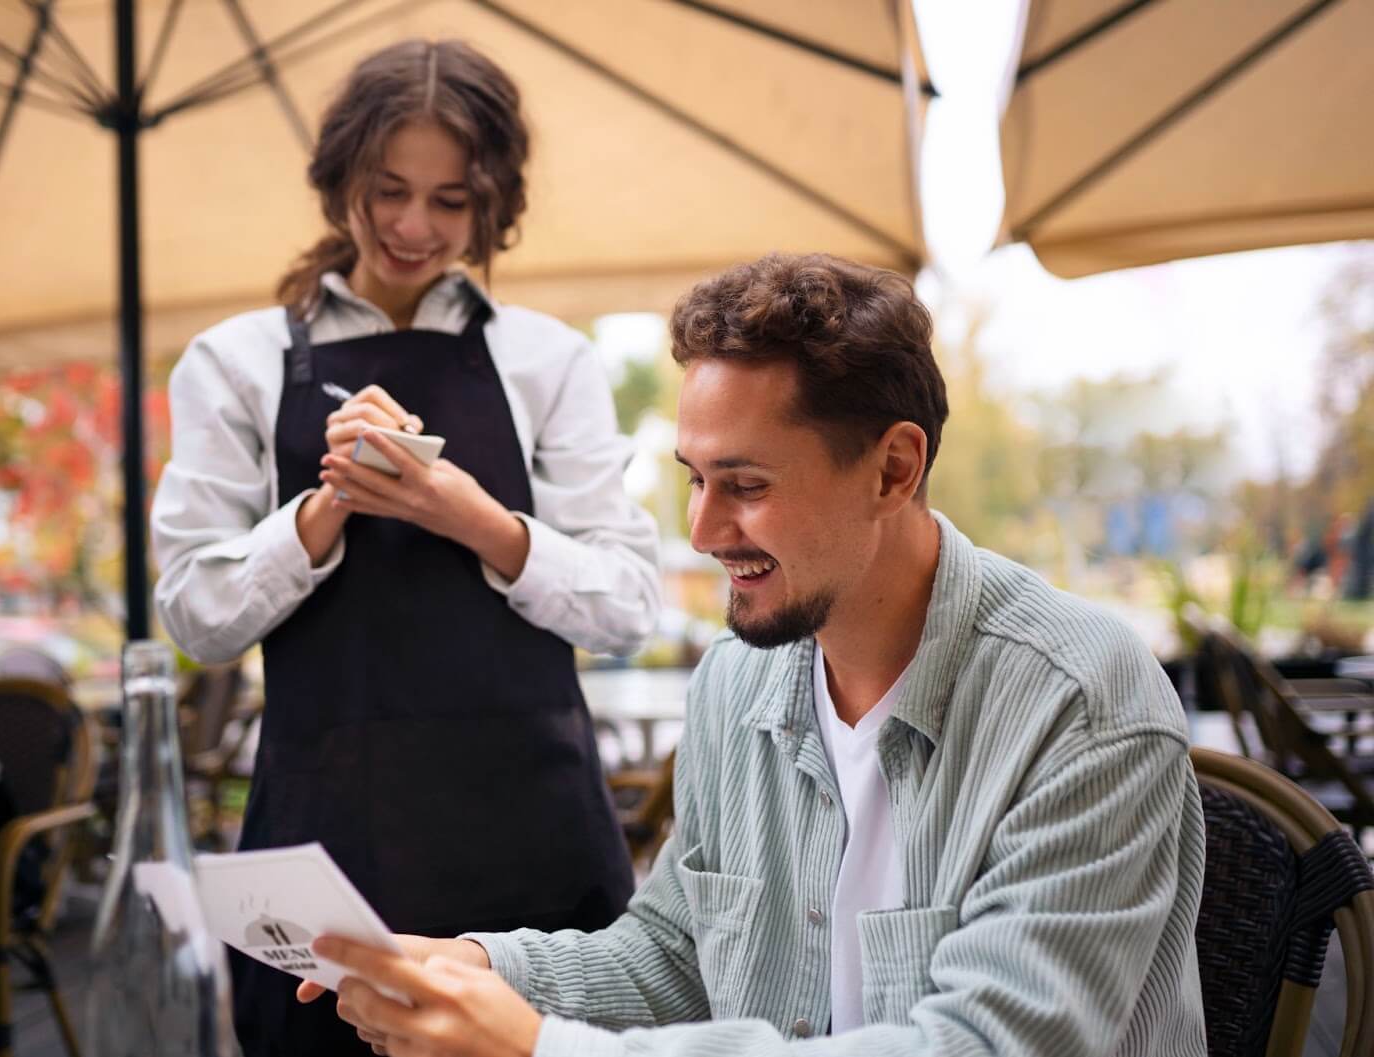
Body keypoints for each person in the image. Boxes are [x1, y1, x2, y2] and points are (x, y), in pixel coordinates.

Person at [300, 253, 1208, 1056]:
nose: (700, 530)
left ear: (894, 470)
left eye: (746, 485)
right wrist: (479, 968)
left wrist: (541, 1047)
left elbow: (985, 1041)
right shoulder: (738, 679)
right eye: (696, 480)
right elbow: (674, 953)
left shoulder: (1082, 705)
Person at [149, 39, 659, 1057]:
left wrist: (470, 515)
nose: (413, 226)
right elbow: (194, 618)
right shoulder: (236, 362)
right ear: (340, 178)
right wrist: (320, 511)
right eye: (387, 190)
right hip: (327, 842)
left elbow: (629, 606)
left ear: (493, 206)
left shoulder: (549, 360)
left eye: (450, 201)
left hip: (533, 833)